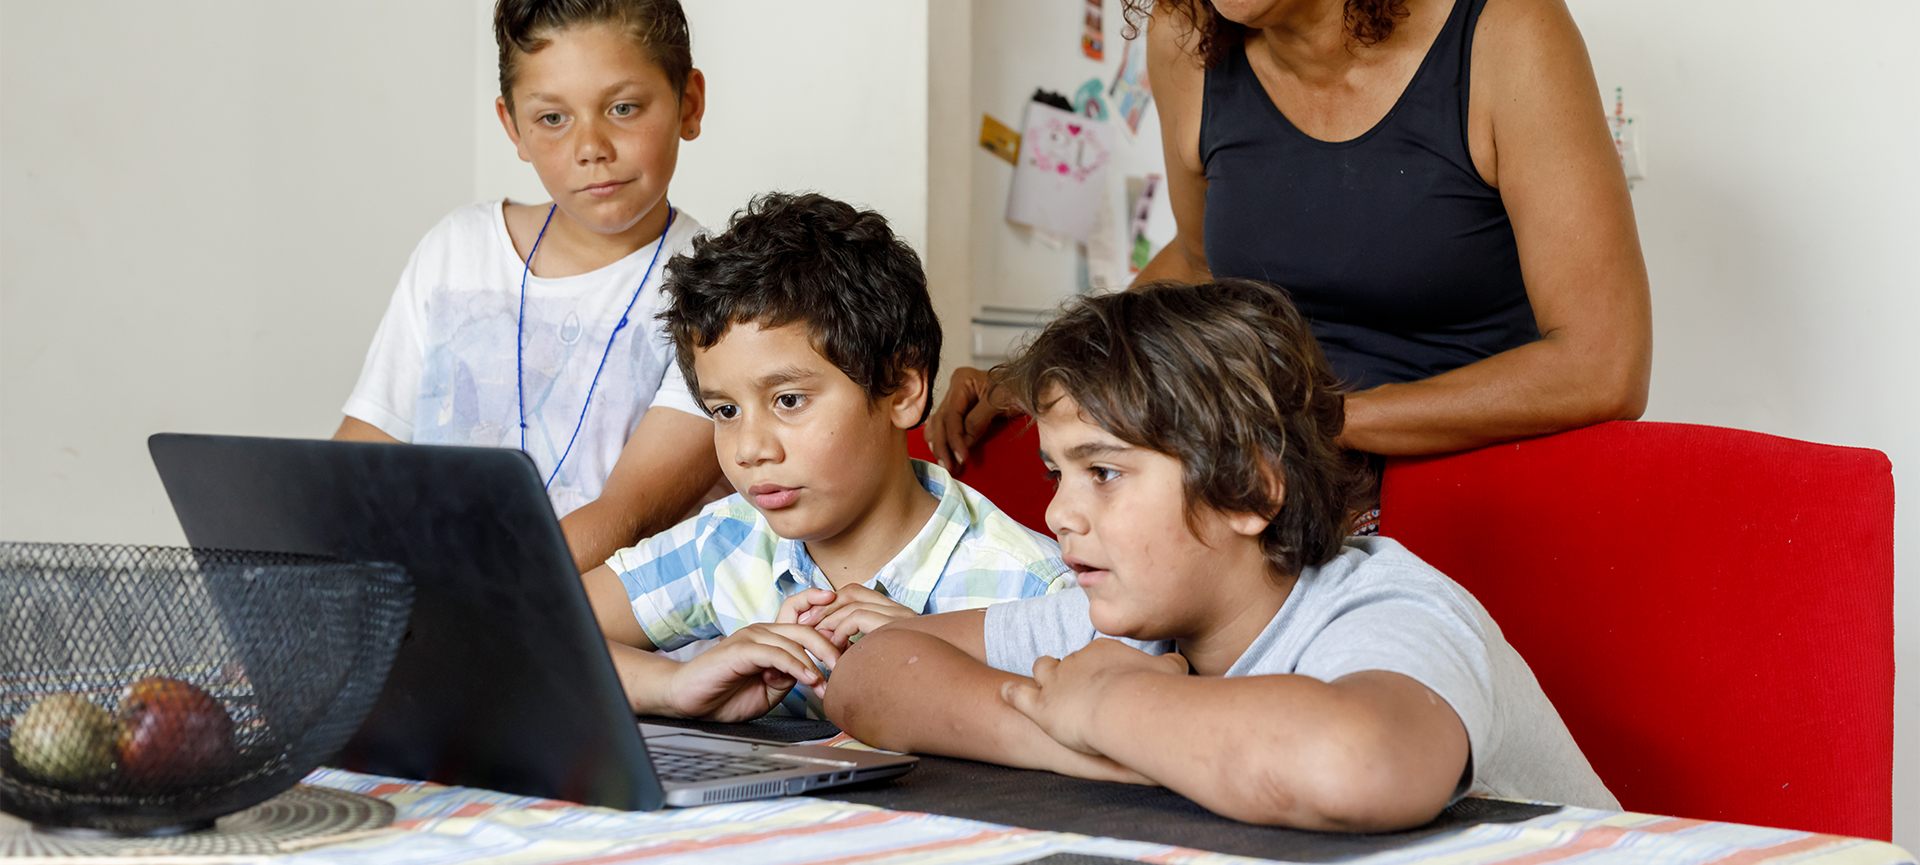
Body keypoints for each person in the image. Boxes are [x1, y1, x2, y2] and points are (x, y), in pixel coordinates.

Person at [826, 280, 1618, 831]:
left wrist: (1106, 707)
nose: (1059, 512)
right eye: (1056, 473)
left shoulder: (1387, 608)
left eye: (1102, 472)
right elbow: (873, 670)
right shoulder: (1130, 611)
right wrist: (1068, 735)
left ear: (1248, 492)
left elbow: (1359, 764)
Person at [928, 0, 1651, 469]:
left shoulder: (1509, 33)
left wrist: (1331, 418)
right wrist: (1049, 368)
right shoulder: (1188, 38)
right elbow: (1203, 261)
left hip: (1477, 476)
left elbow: (1603, 365)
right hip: (1280, 471)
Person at [579, 193, 1075, 721]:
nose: (750, 449)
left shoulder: (1034, 589)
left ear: (903, 390)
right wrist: (672, 683)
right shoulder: (724, 541)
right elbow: (526, 629)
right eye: (724, 411)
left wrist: (936, 658)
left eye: (788, 401)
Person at [336, 0, 723, 574]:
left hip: (612, 636)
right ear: (512, 126)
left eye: (623, 107)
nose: (591, 146)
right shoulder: (457, 250)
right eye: (552, 119)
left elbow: (630, 512)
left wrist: (467, 596)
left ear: (687, 105)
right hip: (435, 610)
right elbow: (360, 458)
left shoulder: (721, 288)